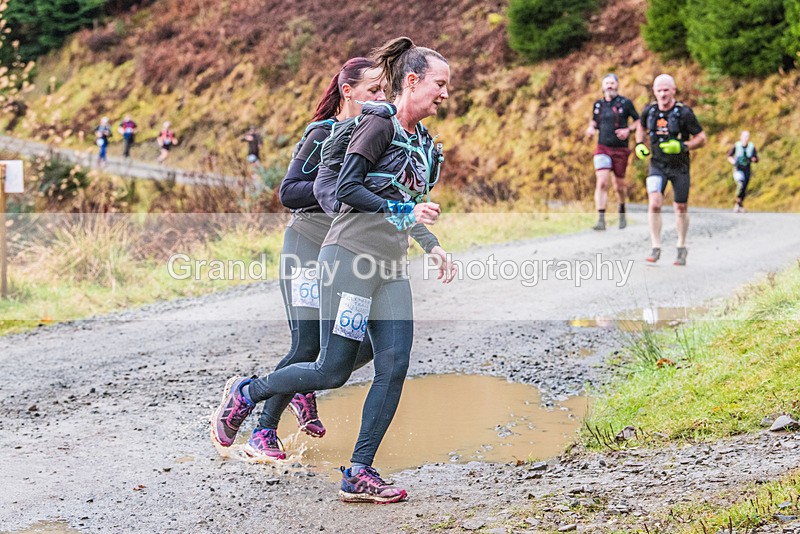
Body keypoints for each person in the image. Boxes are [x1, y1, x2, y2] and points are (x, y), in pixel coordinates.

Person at [211, 37, 456, 504]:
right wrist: (403, 214)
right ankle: (249, 392)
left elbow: (408, 203)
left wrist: (433, 245)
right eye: (439, 84)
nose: (445, 94)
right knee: (330, 369)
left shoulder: (422, 141)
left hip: (389, 267)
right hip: (347, 261)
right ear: (412, 81)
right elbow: (347, 187)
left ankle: (359, 472)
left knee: (394, 363)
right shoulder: (377, 124)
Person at [221, 58, 388, 463]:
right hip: (307, 250)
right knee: (308, 343)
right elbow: (289, 192)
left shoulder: (376, 134)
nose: (381, 99)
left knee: (366, 343)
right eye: (373, 91)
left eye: (385, 92)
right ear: (348, 92)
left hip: (346, 256)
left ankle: (300, 386)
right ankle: (262, 429)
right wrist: (339, 181)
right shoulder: (322, 132)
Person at [634, 74, 707, 266]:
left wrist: (683, 146)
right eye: (659, 90)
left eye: (666, 90)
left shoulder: (684, 113)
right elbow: (640, 128)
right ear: (654, 92)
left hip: (680, 167)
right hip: (657, 164)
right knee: (655, 203)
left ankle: (681, 246)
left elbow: (702, 138)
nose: (662, 94)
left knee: (680, 207)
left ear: (673, 90)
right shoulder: (649, 111)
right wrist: (639, 144)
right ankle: (655, 247)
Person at [585, 74, 640, 230]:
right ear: (603, 87)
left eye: (612, 83)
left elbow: (638, 121)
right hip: (602, 147)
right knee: (602, 182)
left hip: (620, 149)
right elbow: (595, 120)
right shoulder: (598, 105)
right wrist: (591, 128)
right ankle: (601, 219)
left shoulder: (625, 103)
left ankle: (622, 208)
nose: (609, 86)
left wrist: (627, 130)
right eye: (607, 83)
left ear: (617, 85)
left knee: (619, 186)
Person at [727, 130, 759, 213]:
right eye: (744, 136)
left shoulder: (751, 146)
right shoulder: (737, 145)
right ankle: (738, 203)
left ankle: (739, 205)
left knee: (744, 187)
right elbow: (729, 155)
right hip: (738, 169)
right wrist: (733, 162)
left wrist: (754, 159)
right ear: (740, 137)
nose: (746, 138)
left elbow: (756, 158)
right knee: (740, 184)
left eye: (747, 136)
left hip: (747, 169)